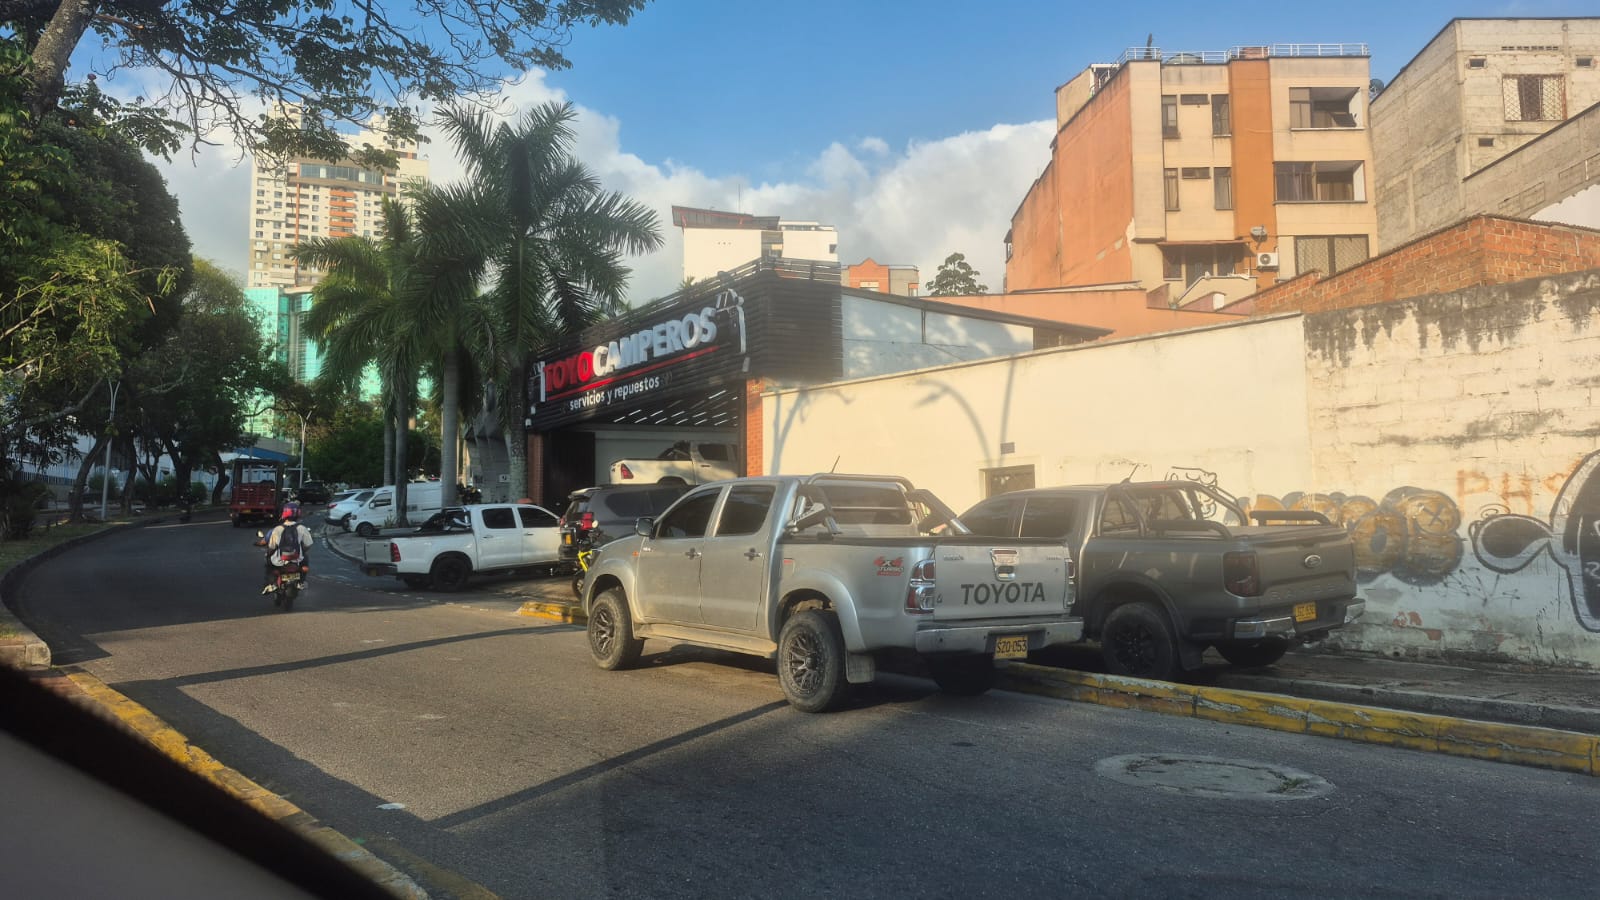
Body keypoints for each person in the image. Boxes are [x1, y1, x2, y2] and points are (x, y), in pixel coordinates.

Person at [261, 505, 314, 594]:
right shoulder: (302, 528)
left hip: (279, 560)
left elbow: (272, 547)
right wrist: (302, 552)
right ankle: (301, 581)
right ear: (298, 515)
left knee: (268, 563)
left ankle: (271, 583)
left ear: (284, 514)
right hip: (297, 559)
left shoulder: (277, 529)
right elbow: (308, 544)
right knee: (305, 561)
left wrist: (268, 554)